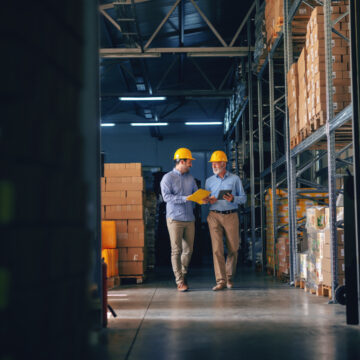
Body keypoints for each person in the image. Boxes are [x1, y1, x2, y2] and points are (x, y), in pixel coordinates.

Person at [203, 150, 246, 291]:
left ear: (224, 163)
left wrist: (233, 198)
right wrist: (208, 200)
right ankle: (220, 281)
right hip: (214, 215)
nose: (213, 165)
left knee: (233, 248)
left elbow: (244, 198)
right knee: (217, 249)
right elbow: (205, 199)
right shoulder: (209, 181)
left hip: (231, 215)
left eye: (216, 163)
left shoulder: (235, 179)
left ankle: (229, 278)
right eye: (212, 163)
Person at [160, 147, 198, 292]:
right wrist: (185, 198)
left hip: (189, 218)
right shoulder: (167, 178)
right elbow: (166, 197)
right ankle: (180, 281)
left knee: (188, 250)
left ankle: (183, 273)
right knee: (176, 250)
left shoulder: (190, 178)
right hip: (174, 219)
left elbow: (195, 194)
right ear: (181, 162)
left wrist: (204, 198)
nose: (191, 165)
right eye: (189, 162)